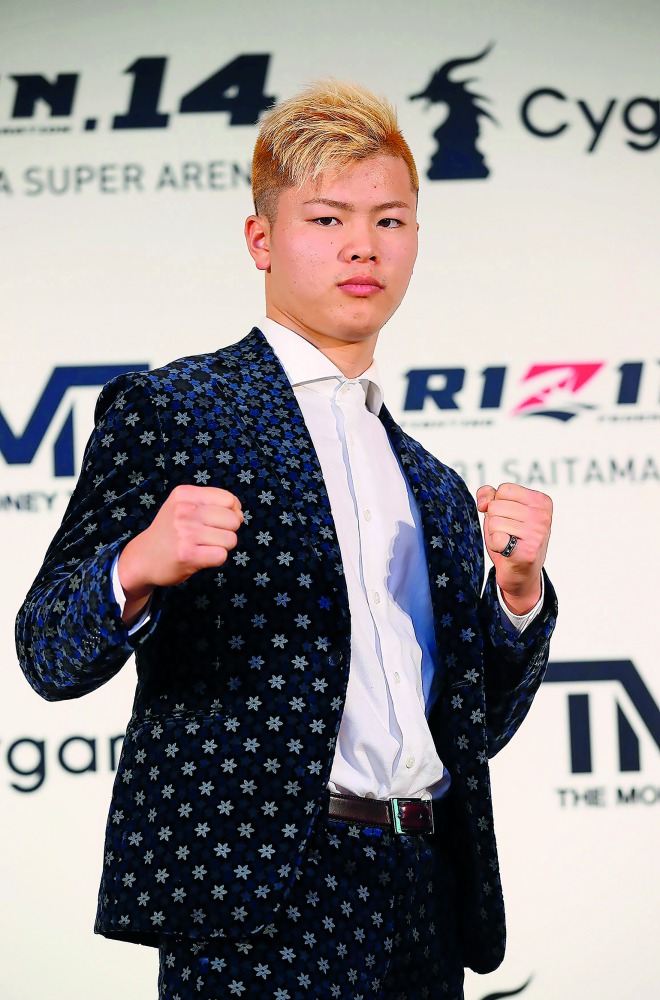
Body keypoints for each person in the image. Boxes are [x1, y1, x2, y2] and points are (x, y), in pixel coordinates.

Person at [16, 80, 556, 1000]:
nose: (362, 245)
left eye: (391, 220)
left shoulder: (425, 476)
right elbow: (47, 653)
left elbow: (475, 730)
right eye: (327, 217)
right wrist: (137, 566)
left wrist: (517, 599)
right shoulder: (176, 410)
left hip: (424, 889)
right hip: (260, 894)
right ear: (262, 240)